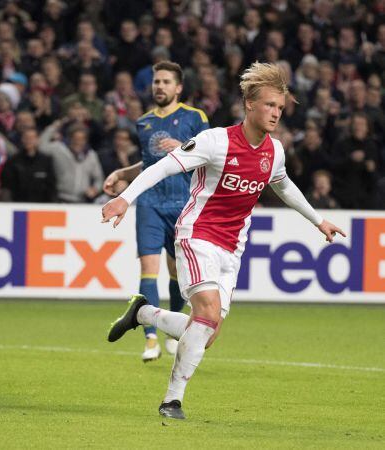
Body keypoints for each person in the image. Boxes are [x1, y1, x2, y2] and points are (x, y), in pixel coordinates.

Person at [101, 62, 345, 420]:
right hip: (196, 235)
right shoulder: (215, 141)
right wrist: (126, 197)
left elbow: (284, 185)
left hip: (233, 248)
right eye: (269, 105)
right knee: (208, 315)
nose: (276, 113)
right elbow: (163, 166)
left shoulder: (274, 151)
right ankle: (172, 401)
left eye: (280, 107)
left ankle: (142, 312)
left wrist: (317, 220)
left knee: (205, 332)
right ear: (249, 104)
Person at [102, 61, 209, 362]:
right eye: (156, 82)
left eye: (165, 82)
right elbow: (150, 165)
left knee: (177, 273)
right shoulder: (144, 122)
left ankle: (173, 328)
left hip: (182, 206)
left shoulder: (195, 117)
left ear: (178, 88)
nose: (159, 86)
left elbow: (212, 159)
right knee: (148, 268)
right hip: (150, 203)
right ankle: (150, 339)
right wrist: (123, 173)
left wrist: (185, 146)